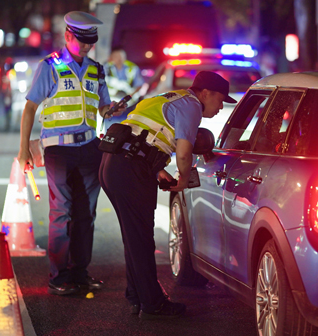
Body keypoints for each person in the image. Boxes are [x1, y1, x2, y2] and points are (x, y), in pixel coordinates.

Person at [99, 71, 236, 319]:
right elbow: (183, 153)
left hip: (113, 163)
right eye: (220, 100)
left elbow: (140, 136)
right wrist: (183, 180)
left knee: (134, 236)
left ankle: (137, 296)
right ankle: (153, 304)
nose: (220, 107)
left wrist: (157, 169)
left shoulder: (168, 98)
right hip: (130, 169)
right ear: (206, 93)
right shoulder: (191, 106)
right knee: (141, 238)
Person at [17, 11, 125, 296]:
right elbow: (30, 107)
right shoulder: (49, 67)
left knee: (86, 214)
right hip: (58, 149)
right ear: (67, 36)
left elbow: (103, 107)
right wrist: (24, 149)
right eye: (82, 41)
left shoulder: (96, 70)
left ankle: (80, 272)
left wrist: (112, 110)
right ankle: (59, 276)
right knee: (61, 212)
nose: (87, 47)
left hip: (89, 147)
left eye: (91, 42)